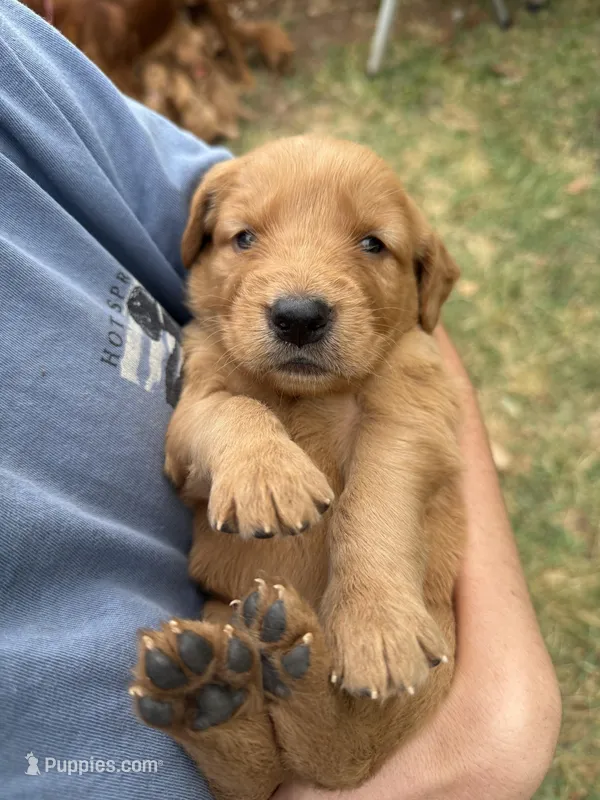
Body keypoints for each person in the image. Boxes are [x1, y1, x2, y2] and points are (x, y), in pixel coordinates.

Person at [0, 1, 561, 798]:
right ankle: (222, 720)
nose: (299, 295)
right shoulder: (213, 350)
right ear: (197, 243)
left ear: (425, 281)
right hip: (246, 621)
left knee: (351, 729)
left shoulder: (405, 363)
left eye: (371, 244)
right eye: (246, 237)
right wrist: (243, 439)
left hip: (392, 665)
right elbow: (195, 427)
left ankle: (282, 701)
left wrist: (375, 589)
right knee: (246, 690)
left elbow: (409, 452)